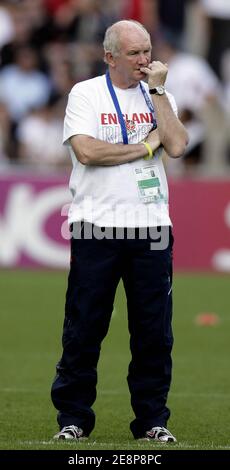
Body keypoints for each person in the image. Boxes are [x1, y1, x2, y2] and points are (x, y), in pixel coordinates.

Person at [51, 19, 188, 443]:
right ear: (110, 56)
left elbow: (179, 145)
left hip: (151, 228)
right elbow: (88, 151)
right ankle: (73, 420)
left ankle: (152, 422)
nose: (145, 60)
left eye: (147, 50)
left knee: (153, 333)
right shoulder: (86, 93)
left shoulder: (159, 95)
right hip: (96, 224)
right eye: (134, 53)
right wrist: (147, 147)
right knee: (84, 327)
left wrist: (161, 93)